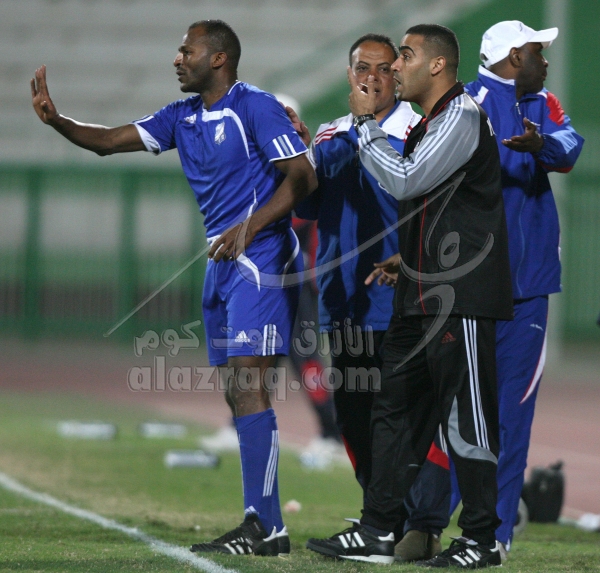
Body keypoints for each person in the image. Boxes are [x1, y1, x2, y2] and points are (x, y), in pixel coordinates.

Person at [31, 19, 317, 557]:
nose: (177, 58)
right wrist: (58, 121)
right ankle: (263, 520)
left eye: (188, 50)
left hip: (262, 257)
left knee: (249, 382)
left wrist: (250, 227)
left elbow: (303, 176)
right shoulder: (180, 117)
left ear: (219, 58)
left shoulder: (254, 107)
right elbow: (108, 142)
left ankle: (265, 525)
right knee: (236, 390)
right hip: (221, 260)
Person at [305, 24, 513, 567]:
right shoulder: (429, 123)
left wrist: (365, 124)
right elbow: (436, 204)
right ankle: (378, 531)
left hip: (459, 299)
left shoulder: (461, 115)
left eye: (405, 56)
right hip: (418, 296)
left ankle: (480, 539)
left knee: (467, 420)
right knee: (392, 413)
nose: (395, 67)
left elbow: (405, 180)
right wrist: (410, 257)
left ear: (437, 65)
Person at [290, 33, 450, 561]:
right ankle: (383, 520)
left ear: (398, 76)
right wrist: (301, 153)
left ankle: (420, 524)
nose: (373, 77)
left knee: (405, 418)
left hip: (402, 301)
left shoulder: (418, 132)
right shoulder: (332, 134)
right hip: (342, 302)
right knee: (355, 417)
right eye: (363, 67)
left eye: (384, 68)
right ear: (348, 74)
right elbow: (307, 205)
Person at [455, 20, 584, 557]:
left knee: (513, 413)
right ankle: (430, 518)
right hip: (468, 285)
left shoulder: (543, 103)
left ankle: (495, 533)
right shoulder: (463, 104)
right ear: (514, 57)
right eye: (537, 51)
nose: (545, 61)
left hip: (527, 285)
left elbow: (570, 147)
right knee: (458, 412)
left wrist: (540, 144)